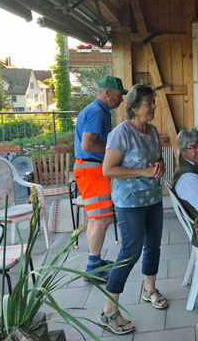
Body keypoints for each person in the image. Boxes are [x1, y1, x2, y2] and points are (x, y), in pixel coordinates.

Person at [98, 85, 167, 335]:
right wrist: (143, 171)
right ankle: (108, 311)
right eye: (149, 103)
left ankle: (149, 289)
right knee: (130, 252)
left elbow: (156, 160)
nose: (153, 106)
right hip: (129, 202)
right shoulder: (120, 133)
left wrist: (159, 166)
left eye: (153, 102)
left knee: (153, 246)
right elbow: (108, 170)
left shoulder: (152, 130)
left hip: (153, 198)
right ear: (134, 107)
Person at [73, 75, 127, 280]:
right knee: (103, 218)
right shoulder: (97, 112)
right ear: (107, 93)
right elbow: (87, 145)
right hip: (92, 169)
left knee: (95, 219)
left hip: (87, 168)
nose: (121, 99)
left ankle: (93, 262)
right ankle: (92, 269)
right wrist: (114, 150)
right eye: (119, 95)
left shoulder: (96, 110)